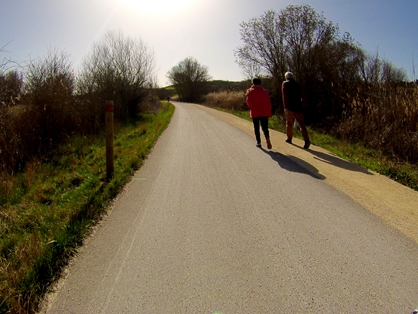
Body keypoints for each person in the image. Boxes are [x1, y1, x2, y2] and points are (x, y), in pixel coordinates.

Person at [282, 72, 311, 149]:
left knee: (289, 123)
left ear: (286, 77)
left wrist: (285, 107)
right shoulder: (298, 84)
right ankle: (307, 140)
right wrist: (302, 104)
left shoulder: (285, 83)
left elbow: (284, 96)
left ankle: (289, 138)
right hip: (298, 107)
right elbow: (303, 95)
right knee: (302, 124)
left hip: (290, 107)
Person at [246, 77, 272, 149]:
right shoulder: (265, 91)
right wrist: (268, 110)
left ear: (253, 83)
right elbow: (269, 103)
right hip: (264, 111)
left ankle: (258, 142)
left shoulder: (251, 91)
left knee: (256, 127)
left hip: (255, 112)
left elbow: (249, 102)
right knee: (265, 127)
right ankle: (267, 138)